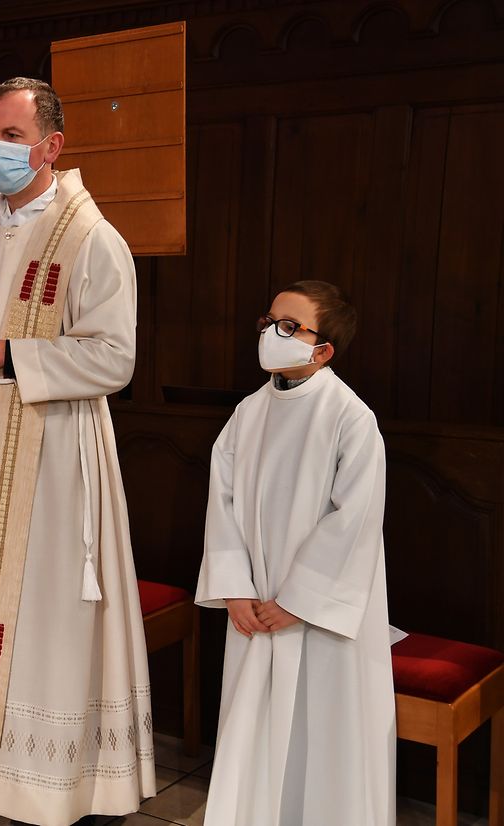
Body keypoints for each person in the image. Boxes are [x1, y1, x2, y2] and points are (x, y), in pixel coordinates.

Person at [0, 78, 156, 825]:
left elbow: (115, 357)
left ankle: (48, 783)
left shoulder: (92, 240)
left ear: (52, 146)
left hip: (51, 452)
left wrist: (8, 354)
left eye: (11, 137)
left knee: (40, 609)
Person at [195, 281, 394, 825]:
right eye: (269, 322)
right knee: (254, 727)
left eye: (288, 327)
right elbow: (222, 501)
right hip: (254, 605)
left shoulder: (350, 417)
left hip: (317, 615)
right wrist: (234, 588)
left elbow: (355, 520)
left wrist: (299, 600)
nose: (271, 333)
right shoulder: (248, 412)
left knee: (323, 735)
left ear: (323, 349)